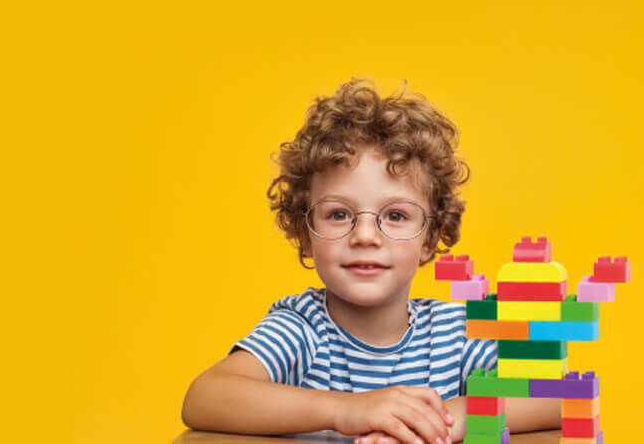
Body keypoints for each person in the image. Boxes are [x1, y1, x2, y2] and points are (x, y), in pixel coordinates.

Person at [182, 78, 560, 444]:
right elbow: (205, 397)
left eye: (395, 215)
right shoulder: (300, 329)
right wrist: (346, 410)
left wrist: (450, 416)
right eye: (339, 214)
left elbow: (555, 394)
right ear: (306, 232)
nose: (364, 235)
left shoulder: (454, 333)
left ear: (430, 237)